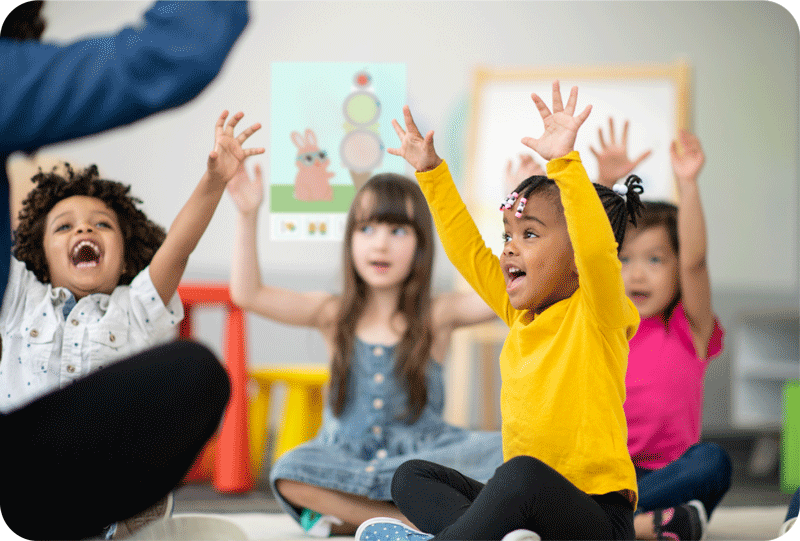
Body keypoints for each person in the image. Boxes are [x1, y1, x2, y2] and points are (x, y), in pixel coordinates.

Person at [0, 2, 249, 538]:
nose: (83, 232)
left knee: (195, 369)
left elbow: (177, 250)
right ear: (38, 255)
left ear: (125, 246)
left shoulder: (136, 305)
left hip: (111, 498)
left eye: (101, 226)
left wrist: (213, 182)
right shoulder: (23, 298)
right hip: (33, 485)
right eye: (63, 228)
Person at [356, 81, 644, 541]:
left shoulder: (600, 313)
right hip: (530, 511)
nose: (509, 248)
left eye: (529, 234)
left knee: (520, 476)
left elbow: (596, 253)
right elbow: (469, 251)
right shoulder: (520, 316)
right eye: (509, 235)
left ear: (577, 257)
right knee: (411, 476)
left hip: (597, 520)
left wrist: (563, 163)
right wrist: (431, 172)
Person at [226, 161, 504, 536]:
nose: (380, 243)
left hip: (422, 460)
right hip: (346, 459)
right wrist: (247, 215)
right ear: (350, 240)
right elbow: (249, 294)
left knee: (514, 451)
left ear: (422, 243)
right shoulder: (333, 313)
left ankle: (354, 517)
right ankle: (403, 522)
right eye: (367, 228)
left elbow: (505, 295)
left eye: (398, 230)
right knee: (288, 471)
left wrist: (514, 228)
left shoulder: (438, 314)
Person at [592, 121, 731, 541]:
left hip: (670, 476)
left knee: (714, 461)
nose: (636, 273)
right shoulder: (604, 323)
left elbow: (695, 263)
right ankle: (642, 528)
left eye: (655, 260)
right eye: (625, 259)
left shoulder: (690, 326)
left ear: (675, 269)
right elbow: (587, 251)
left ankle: (605, 528)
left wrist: (688, 185)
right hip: (609, 476)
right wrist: (605, 184)